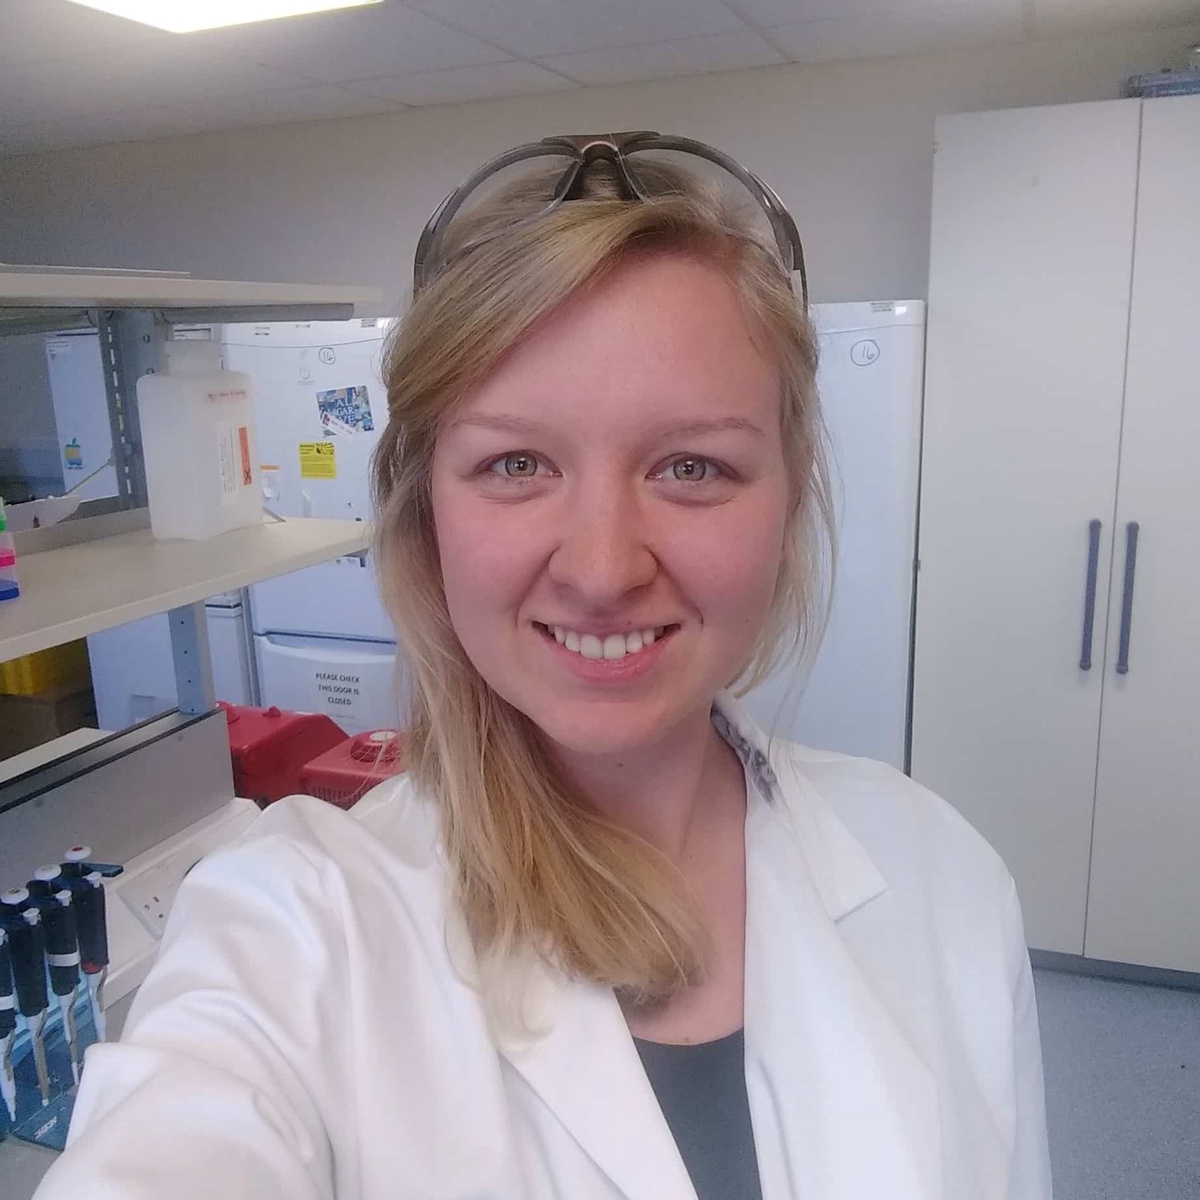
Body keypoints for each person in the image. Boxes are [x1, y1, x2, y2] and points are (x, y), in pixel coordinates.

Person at [34, 133, 1053, 1200]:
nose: (604, 569)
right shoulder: (292, 929)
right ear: (425, 513)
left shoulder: (947, 878)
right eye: (516, 464)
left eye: (693, 465)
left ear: (789, 502)